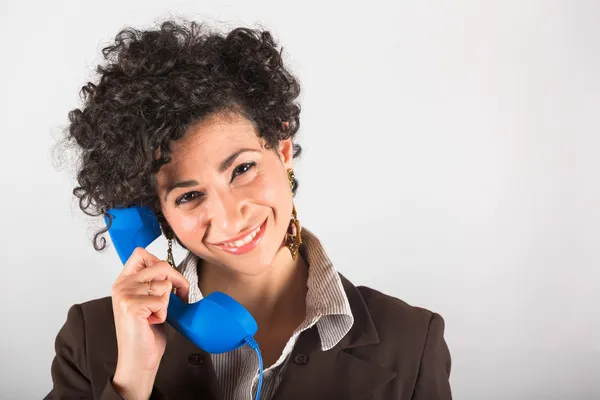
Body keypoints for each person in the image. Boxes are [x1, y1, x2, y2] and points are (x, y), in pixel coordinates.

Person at [46, 19, 452, 400]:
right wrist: (132, 381)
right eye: (188, 196)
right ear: (155, 214)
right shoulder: (93, 338)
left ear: (283, 148)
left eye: (242, 169)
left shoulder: (412, 341)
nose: (229, 217)